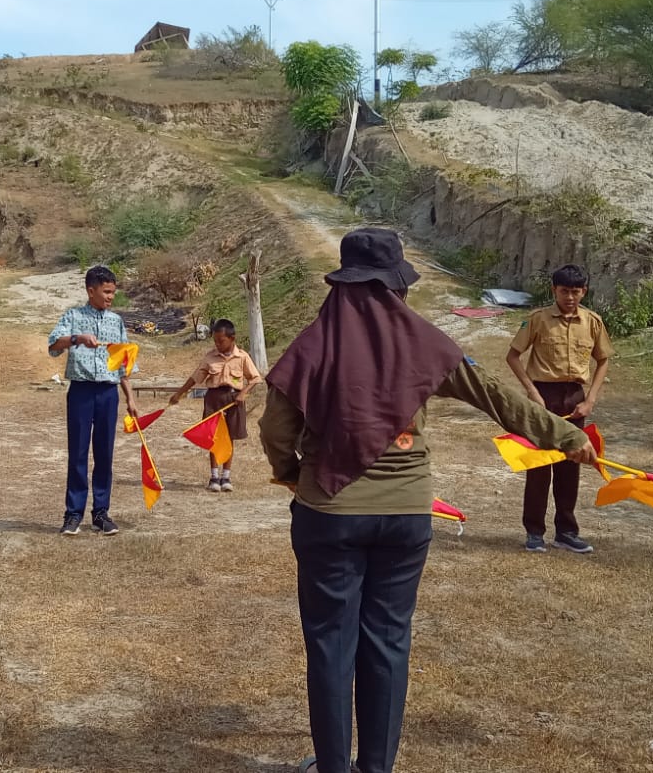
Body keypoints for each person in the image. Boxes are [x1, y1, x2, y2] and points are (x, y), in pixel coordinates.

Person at [259, 228, 595, 773]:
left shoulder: (313, 345)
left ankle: (333, 767)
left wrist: (293, 475)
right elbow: (499, 398)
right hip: (408, 515)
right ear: (397, 287)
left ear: (341, 286)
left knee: (330, 645)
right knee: (388, 641)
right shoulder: (426, 344)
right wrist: (567, 436)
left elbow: (275, 429)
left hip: (329, 513)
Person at [505, 263, 613, 554]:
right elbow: (513, 356)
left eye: (575, 292)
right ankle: (534, 532)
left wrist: (589, 400)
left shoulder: (592, 322)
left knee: (571, 465)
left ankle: (566, 531)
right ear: (554, 290)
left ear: (584, 292)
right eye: (564, 291)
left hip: (574, 398)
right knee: (539, 467)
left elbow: (603, 359)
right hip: (543, 397)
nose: (569, 297)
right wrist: (531, 391)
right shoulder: (537, 319)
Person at [47, 265, 140, 536]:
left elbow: (123, 365)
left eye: (113, 292)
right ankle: (73, 514)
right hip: (81, 392)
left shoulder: (116, 322)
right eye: (106, 291)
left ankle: (101, 512)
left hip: (108, 394)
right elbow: (53, 345)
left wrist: (130, 399)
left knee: (104, 453)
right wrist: (77, 339)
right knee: (78, 453)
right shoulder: (73, 316)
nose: (111, 297)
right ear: (91, 290)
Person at [168, 318, 262, 492]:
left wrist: (243, 393)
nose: (218, 344)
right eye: (215, 341)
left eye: (221, 341)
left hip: (234, 400)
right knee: (213, 437)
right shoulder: (210, 357)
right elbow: (196, 378)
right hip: (214, 399)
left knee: (229, 437)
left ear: (232, 338)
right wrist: (179, 393)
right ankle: (214, 476)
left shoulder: (242, 357)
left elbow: (255, 378)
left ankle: (226, 476)